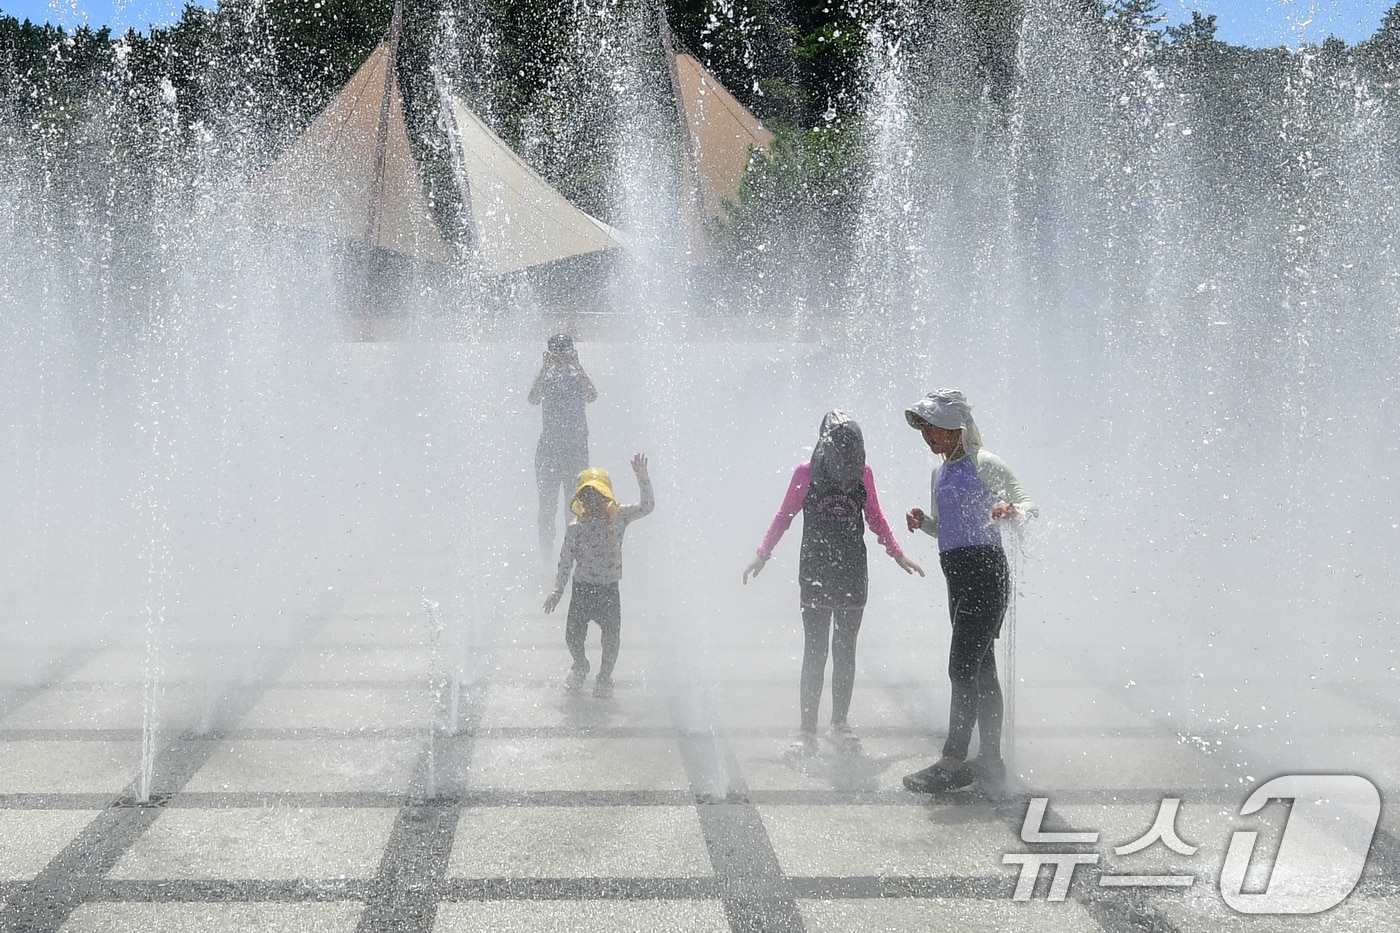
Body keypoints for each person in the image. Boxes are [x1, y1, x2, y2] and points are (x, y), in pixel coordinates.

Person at [744, 411, 924, 755]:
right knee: (815, 651)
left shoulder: (863, 473)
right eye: (839, 449)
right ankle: (807, 732)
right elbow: (784, 515)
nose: (844, 456)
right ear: (825, 446)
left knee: (845, 651)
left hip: (852, 573)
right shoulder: (806, 472)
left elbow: (875, 517)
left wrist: (897, 553)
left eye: (850, 450)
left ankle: (839, 725)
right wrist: (762, 554)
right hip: (815, 571)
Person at [900, 389, 1036, 794]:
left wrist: (1011, 510)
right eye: (924, 429)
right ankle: (990, 760)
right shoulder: (938, 473)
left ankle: (952, 762)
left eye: (934, 428)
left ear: (955, 428)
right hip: (956, 576)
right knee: (981, 669)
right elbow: (945, 529)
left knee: (960, 667)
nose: (928, 436)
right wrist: (922, 522)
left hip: (986, 573)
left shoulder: (985, 463)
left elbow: (1029, 504)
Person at [544, 454, 654, 699]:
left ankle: (605, 677)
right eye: (587, 497)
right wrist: (558, 590)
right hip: (582, 589)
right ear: (580, 500)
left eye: (598, 497)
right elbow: (565, 560)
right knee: (572, 636)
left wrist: (642, 476)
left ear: (607, 496)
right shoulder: (576, 528)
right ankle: (580, 665)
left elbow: (647, 507)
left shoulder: (619, 516)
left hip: (608, 590)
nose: (593, 503)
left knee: (611, 638)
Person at [529, 334, 598, 555]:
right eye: (556, 354)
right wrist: (544, 368)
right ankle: (547, 556)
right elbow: (532, 398)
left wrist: (577, 365)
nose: (560, 358)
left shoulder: (578, 376)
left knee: (576, 506)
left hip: (576, 450)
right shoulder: (546, 377)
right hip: (549, 450)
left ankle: (572, 555)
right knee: (547, 507)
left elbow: (592, 395)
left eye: (564, 353)